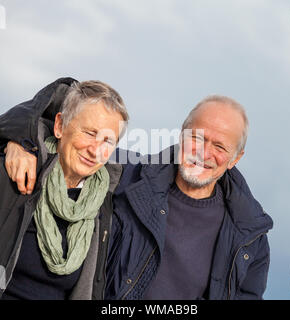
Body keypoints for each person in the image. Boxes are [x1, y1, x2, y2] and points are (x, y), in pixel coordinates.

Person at [1, 78, 273, 300]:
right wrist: (19, 139)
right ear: (181, 135)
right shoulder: (127, 178)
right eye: (197, 137)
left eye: (220, 147)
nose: (204, 152)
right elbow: (74, 129)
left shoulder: (249, 235)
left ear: (235, 159)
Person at [0, 79, 129, 300]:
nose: (95, 150)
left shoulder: (104, 203)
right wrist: (8, 140)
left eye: (107, 141)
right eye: (89, 133)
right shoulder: (14, 172)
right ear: (60, 126)